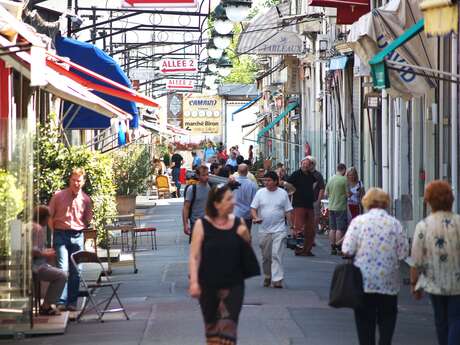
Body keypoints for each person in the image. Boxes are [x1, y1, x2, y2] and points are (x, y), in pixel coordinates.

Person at [342, 188, 409, 345]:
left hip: (363, 280)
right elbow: (403, 253)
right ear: (386, 203)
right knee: (387, 317)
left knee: (364, 319)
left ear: (367, 202)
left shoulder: (359, 222)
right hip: (388, 281)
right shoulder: (394, 224)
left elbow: (347, 249)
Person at [189, 184, 251, 345]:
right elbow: (194, 256)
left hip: (233, 284)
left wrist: (245, 237)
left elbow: (246, 255)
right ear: (216, 204)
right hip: (208, 284)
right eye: (229, 199)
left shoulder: (240, 224)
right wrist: (194, 282)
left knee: (229, 327)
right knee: (212, 328)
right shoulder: (201, 225)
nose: (234, 202)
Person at [410, 181, 460, 345]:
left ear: (429, 200)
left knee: (440, 320)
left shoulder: (423, 226)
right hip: (457, 281)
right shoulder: (458, 222)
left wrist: (414, 284)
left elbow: (416, 259)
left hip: (434, 281)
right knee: (456, 319)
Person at [49, 167, 93, 311]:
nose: (76, 183)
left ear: (83, 182)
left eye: (79, 181)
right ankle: (61, 301)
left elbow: (88, 219)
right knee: (62, 268)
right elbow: (50, 215)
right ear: (70, 180)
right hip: (61, 234)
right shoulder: (58, 196)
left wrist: (82, 226)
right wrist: (53, 231)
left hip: (77, 235)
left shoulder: (86, 199)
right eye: (73, 180)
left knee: (76, 270)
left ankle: (72, 302)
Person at [251, 171, 293, 288]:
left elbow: (288, 211)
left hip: (279, 229)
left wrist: (292, 227)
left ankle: (277, 279)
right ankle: (268, 275)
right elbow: (253, 208)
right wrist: (256, 217)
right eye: (265, 180)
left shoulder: (283, 193)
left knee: (276, 254)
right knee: (266, 257)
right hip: (264, 230)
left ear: (276, 181)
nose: (266, 183)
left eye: (269, 180)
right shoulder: (260, 193)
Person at [31, 206, 67, 316]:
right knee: (62, 275)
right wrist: (47, 254)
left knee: (59, 274)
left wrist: (45, 251)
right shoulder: (38, 229)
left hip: (31, 264)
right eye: (48, 218)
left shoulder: (28, 226)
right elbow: (34, 251)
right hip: (36, 267)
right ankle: (46, 306)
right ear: (44, 217)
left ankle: (46, 305)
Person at [283, 157, 317, 256]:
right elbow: (287, 183)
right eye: (304, 164)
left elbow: (314, 184)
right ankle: (299, 250)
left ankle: (307, 250)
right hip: (299, 204)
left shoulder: (311, 175)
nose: (305, 166)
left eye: (307, 164)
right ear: (301, 163)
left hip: (309, 204)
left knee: (310, 229)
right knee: (299, 229)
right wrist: (292, 191)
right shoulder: (296, 173)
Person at [182, 166, 211, 242]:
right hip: (196, 223)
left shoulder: (211, 187)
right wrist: (185, 225)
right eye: (204, 175)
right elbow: (186, 207)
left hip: (209, 224)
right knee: (196, 249)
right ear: (198, 176)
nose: (207, 177)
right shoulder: (192, 189)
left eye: (207, 174)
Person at [325, 163, 348, 255]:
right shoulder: (344, 180)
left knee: (332, 228)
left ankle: (332, 247)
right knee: (339, 228)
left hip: (331, 206)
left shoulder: (331, 179)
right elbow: (348, 194)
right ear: (344, 170)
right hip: (340, 207)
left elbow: (326, 194)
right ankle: (338, 247)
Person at [233, 164, 258, 231]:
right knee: (246, 234)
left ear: (238, 171)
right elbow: (255, 201)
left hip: (235, 213)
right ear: (247, 171)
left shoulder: (233, 183)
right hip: (247, 214)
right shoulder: (252, 185)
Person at [307, 156, 325, 241]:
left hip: (315, 200)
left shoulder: (318, 175)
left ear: (313, 164)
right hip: (305, 200)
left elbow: (322, 188)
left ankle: (312, 235)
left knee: (315, 218)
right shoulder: (304, 173)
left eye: (309, 164)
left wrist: (319, 200)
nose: (307, 165)